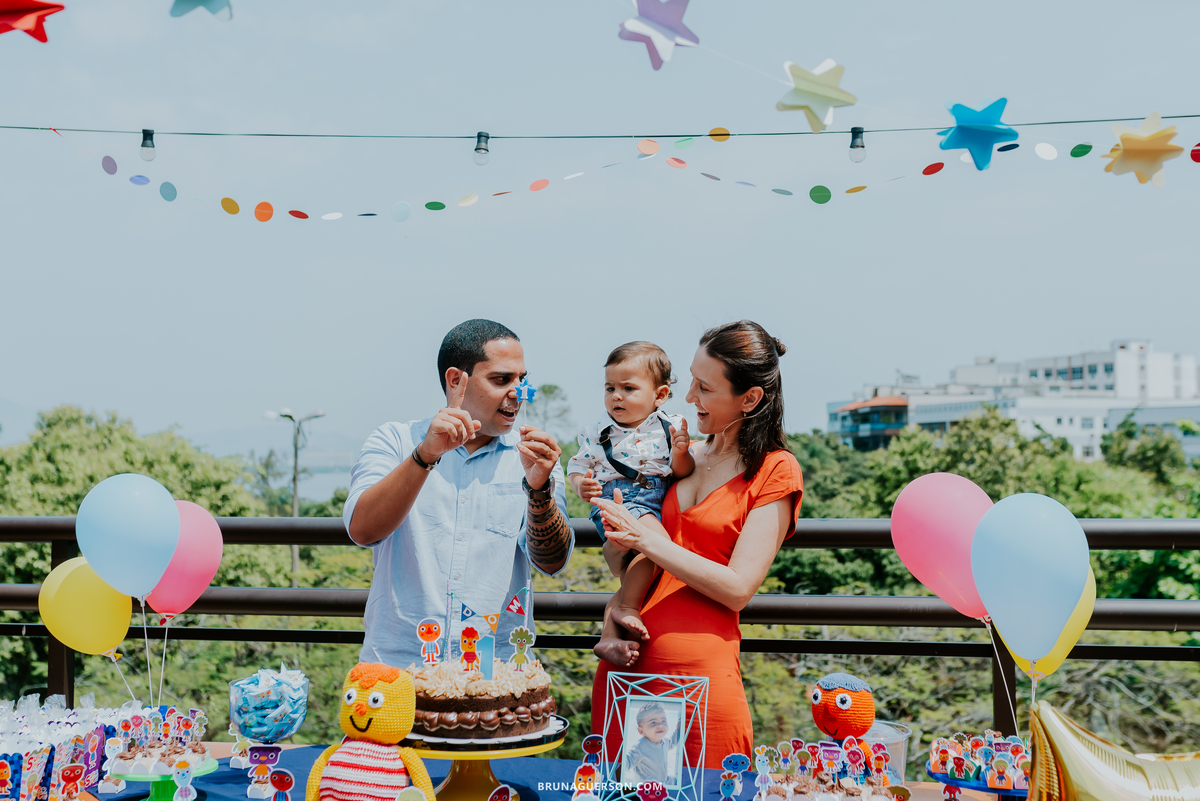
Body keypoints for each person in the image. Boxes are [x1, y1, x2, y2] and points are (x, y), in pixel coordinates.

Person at [590, 320, 804, 768]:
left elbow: (738, 587)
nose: (689, 397)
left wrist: (646, 538)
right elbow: (621, 561)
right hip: (626, 667)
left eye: (704, 388)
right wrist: (619, 538)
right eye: (691, 380)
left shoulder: (774, 470)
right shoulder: (676, 456)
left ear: (749, 398)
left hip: (701, 677)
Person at [343, 319, 574, 669]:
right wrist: (426, 455)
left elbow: (552, 561)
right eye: (502, 379)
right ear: (456, 380)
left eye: (522, 379)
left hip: (495, 673)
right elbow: (362, 530)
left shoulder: (534, 457)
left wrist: (539, 491)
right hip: (398, 669)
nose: (518, 392)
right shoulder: (395, 441)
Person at [567, 342, 693, 667]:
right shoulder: (598, 432)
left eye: (628, 388)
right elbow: (578, 468)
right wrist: (583, 487)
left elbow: (682, 472)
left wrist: (680, 453)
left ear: (660, 395)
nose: (616, 397)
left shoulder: (670, 425)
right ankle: (628, 609)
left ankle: (609, 635)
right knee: (657, 548)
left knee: (636, 565)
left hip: (653, 501)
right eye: (610, 388)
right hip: (617, 499)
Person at [623, 702, 681, 786]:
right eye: (653, 722)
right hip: (646, 785)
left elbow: (673, 742)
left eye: (663, 721)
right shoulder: (640, 747)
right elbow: (627, 761)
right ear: (641, 731)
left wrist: (678, 730)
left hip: (663, 780)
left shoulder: (664, 741)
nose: (660, 725)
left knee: (677, 781)